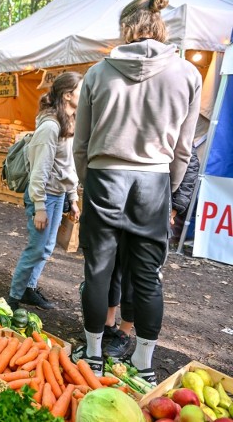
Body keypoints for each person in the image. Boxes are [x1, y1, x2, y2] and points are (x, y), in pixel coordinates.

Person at [73, 0, 202, 382]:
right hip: (155, 179)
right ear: (160, 26)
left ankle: (94, 354)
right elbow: (184, 147)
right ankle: (144, 363)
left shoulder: (97, 73)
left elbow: (81, 143)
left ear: (125, 28)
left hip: (104, 176)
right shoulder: (188, 75)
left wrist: (87, 180)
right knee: (148, 275)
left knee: (97, 270)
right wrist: (167, 186)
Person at [101, 146, 200, 359]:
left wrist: (171, 209)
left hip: (153, 214)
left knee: (135, 276)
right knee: (111, 267)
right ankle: (108, 321)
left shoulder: (179, 129)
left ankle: (124, 333)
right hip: (123, 207)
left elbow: (189, 166)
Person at [7, 72, 82, 311]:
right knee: (37, 247)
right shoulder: (50, 126)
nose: (87, 91)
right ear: (68, 95)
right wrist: (39, 207)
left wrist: (72, 197)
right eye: (82, 88)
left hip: (58, 194)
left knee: (47, 247)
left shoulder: (69, 123)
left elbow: (68, 164)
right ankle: (13, 297)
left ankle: (29, 288)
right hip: (44, 195)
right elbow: (39, 171)